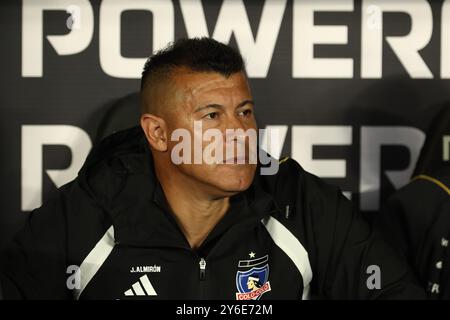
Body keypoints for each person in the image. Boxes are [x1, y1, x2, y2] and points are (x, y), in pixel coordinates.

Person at [0, 37, 425, 300]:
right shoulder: (82, 216)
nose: (240, 133)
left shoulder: (301, 203)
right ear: (159, 134)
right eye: (212, 116)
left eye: (244, 111)